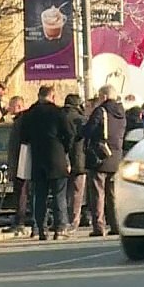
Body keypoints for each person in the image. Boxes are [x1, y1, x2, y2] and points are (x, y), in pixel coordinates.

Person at [20, 86, 74, 240]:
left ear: (38, 96)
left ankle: (41, 230)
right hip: (57, 158)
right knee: (59, 195)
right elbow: (70, 134)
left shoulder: (29, 114)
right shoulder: (58, 112)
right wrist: (64, 149)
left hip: (37, 159)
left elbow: (24, 138)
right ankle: (60, 229)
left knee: (40, 196)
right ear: (52, 96)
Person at [84, 85, 126, 237]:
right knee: (113, 194)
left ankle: (99, 227)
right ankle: (116, 225)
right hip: (116, 157)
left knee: (98, 193)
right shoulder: (122, 113)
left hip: (100, 157)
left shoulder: (100, 111)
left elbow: (88, 130)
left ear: (103, 96)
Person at [63, 93, 89, 229]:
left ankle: (64, 219)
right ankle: (74, 220)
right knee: (77, 192)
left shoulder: (59, 117)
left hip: (61, 159)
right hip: (79, 159)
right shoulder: (82, 119)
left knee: (64, 191)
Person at [6, 98, 31, 234]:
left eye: (11, 106)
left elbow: (16, 146)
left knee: (22, 192)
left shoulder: (22, 121)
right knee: (21, 192)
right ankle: (20, 220)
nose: (9, 108)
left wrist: (13, 165)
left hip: (22, 161)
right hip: (21, 160)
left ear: (19, 106)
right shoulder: (20, 120)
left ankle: (20, 221)